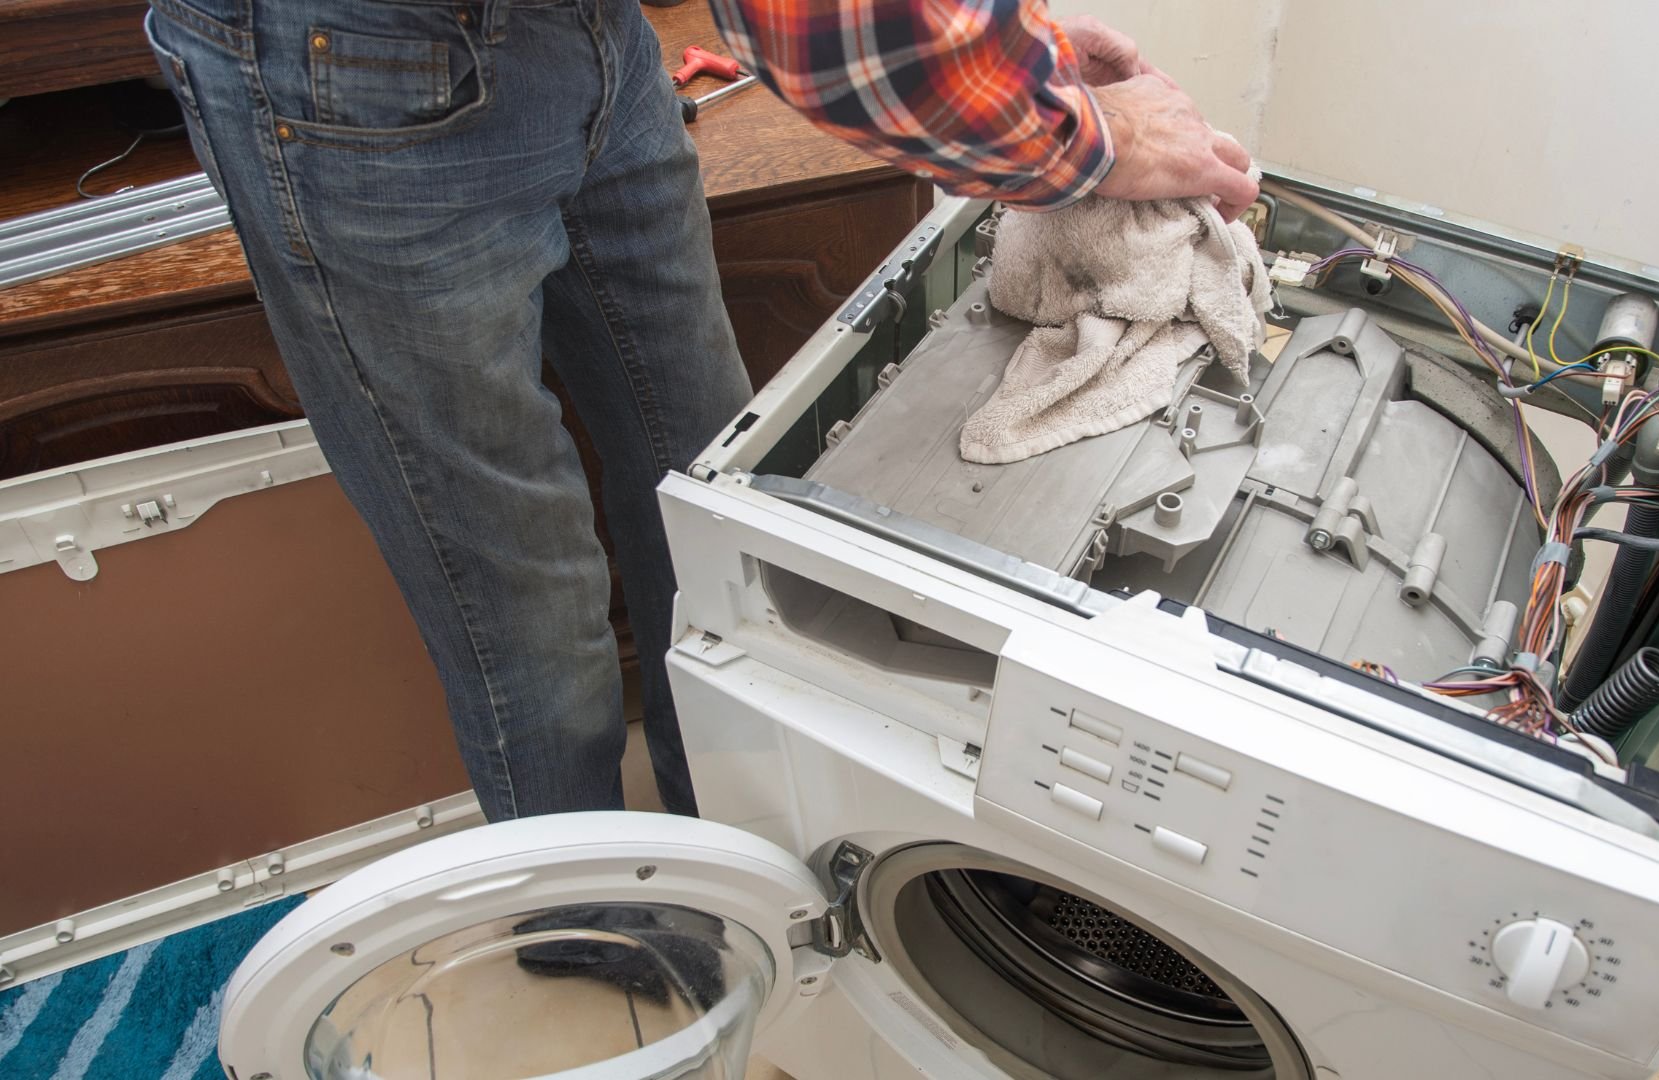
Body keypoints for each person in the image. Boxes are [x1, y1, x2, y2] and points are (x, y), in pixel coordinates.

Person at [142, 0, 1255, 822]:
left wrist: (1020, 58)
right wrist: (1086, 134)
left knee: (708, 491)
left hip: (592, 37)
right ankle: (595, 929)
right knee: (520, 591)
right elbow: (840, 25)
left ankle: (724, 836)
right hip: (350, 67)